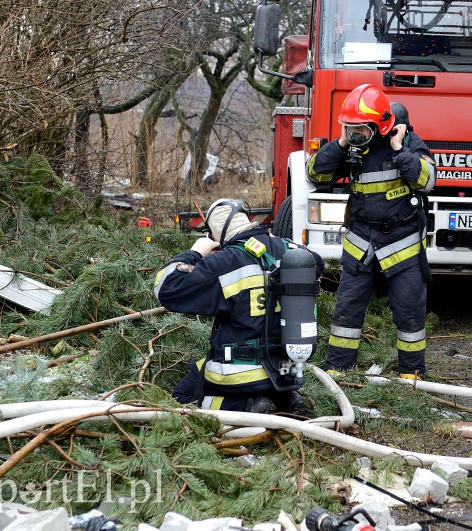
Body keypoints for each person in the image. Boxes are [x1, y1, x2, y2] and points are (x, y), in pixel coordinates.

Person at [306, 84, 437, 379]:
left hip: (401, 244)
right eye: (349, 129)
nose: (356, 136)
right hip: (360, 243)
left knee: (409, 312)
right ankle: (338, 370)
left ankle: (411, 375)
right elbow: (314, 173)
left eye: (361, 131)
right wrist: (340, 144)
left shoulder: (407, 143)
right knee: (347, 311)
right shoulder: (351, 148)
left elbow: (427, 180)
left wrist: (399, 150)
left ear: (380, 127)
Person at [154, 199, 324, 413]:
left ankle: (245, 406)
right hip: (285, 369)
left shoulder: (223, 262)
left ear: (215, 235)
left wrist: (196, 252)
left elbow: (166, 288)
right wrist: (278, 242)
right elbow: (317, 262)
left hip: (238, 375)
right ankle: (286, 400)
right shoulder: (290, 254)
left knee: (184, 394)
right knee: (200, 367)